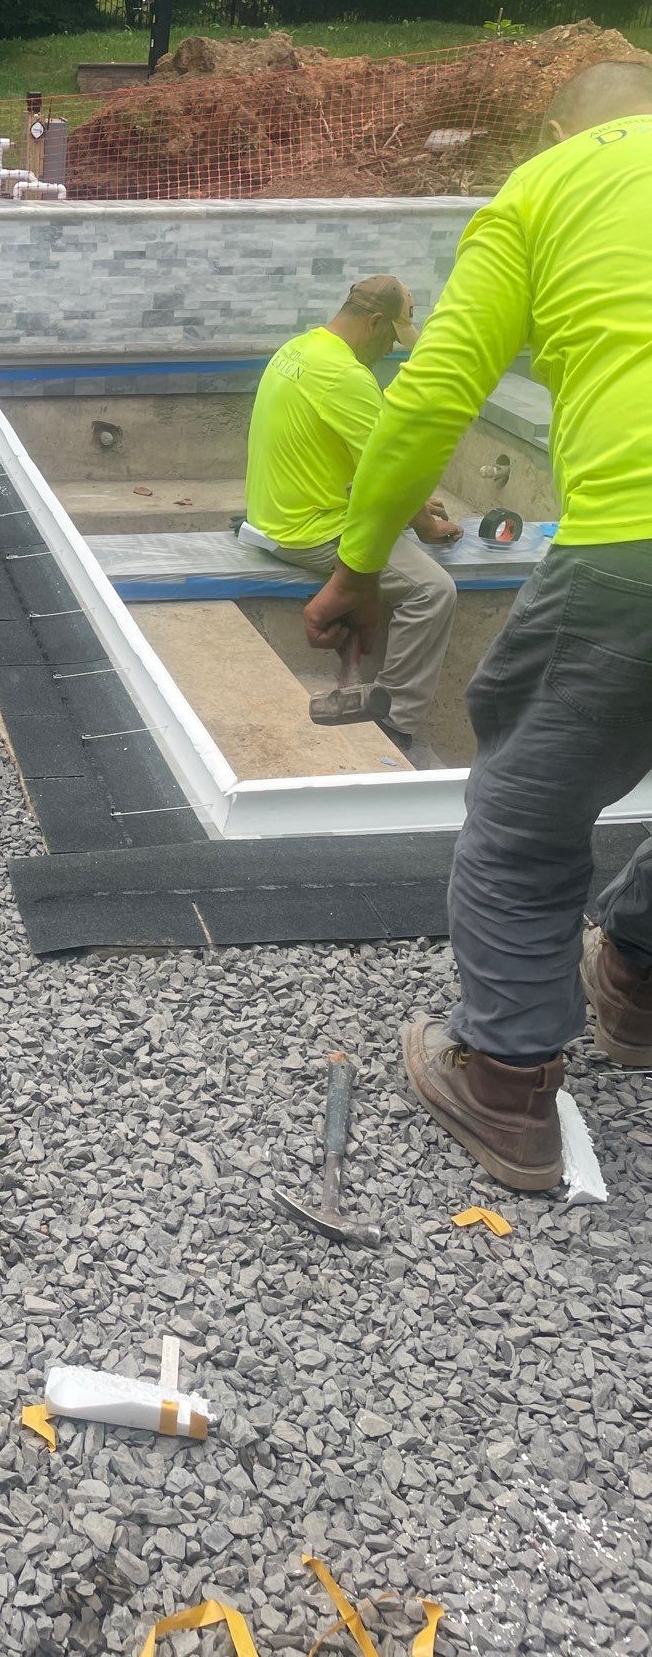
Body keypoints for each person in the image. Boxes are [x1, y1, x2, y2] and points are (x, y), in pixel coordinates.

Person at [303, 60, 652, 1192]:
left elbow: (434, 392)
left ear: (556, 128)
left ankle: (501, 1084)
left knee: (523, 817)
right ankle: (637, 978)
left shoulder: (549, 185)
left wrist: (360, 564)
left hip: (633, 546)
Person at [244, 276, 462, 749]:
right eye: (390, 338)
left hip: (273, 515)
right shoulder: (347, 377)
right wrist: (426, 523)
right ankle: (396, 724)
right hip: (311, 530)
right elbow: (394, 472)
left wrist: (414, 502)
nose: (391, 350)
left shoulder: (301, 349)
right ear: (376, 322)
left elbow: (367, 463)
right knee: (434, 590)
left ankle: (364, 683)